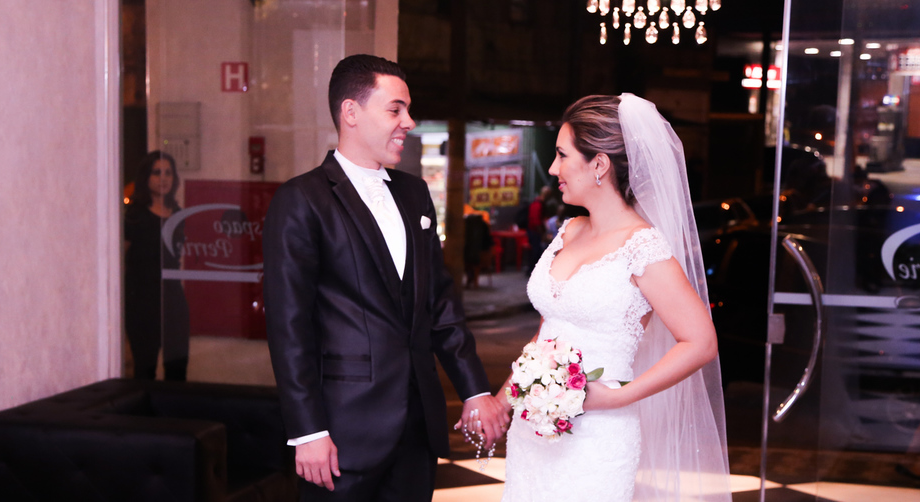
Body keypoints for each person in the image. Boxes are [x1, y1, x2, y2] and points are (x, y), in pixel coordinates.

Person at [263, 54, 509, 502]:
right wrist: (307, 431)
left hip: (417, 428)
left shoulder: (415, 193)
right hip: (340, 433)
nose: (408, 122)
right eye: (395, 109)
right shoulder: (302, 199)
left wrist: (474, 390)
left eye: (408, 110)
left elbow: (439, 304)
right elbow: (288, 328)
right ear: (351, 113)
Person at [497, 94, 730, 501]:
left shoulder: (642, 248)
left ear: (599, 164)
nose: (553, 169)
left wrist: (620, 395)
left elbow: (701, 341)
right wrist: (506, 396)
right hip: (533, 431)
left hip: (597, 439)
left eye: (562, 155)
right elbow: (549, 328)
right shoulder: (569, 231)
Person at [123, 150, 191, 381]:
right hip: (142, 301)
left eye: (168, 173)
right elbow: (120, 261)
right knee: (144, 368)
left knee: (177, 368)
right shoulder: (135, 216)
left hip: (173, 297)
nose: (163, 178)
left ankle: (175, 415)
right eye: (157, 172)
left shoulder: (179, 215)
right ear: (146, 177)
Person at [464, 204, 494, 289]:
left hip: (476, 256)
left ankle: (472, 279)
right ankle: (472, 280)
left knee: (470, 263)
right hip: (480, 255)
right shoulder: (482, 225)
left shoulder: (469, 225)